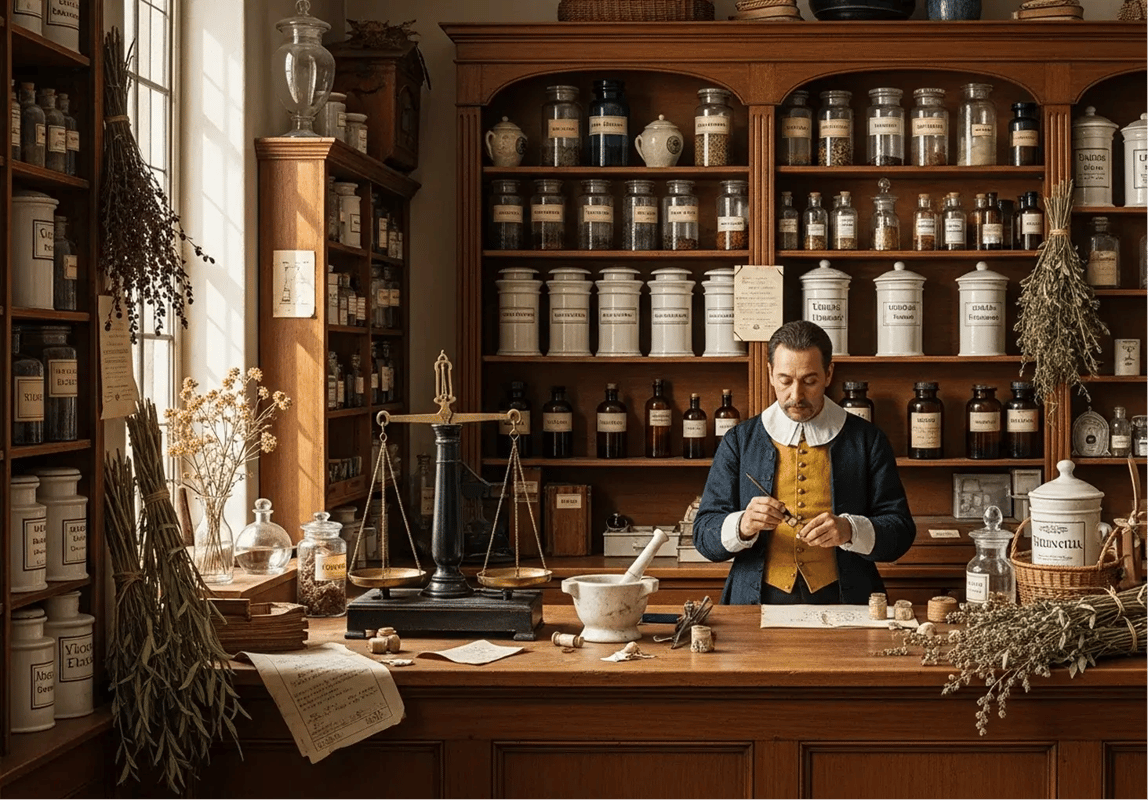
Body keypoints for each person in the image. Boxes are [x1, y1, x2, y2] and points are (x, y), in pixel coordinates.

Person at [693, 320, 914, 605]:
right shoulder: (739, 440)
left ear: (828, 373)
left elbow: (901, 532)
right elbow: (703, 535)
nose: (796, 396)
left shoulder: (867, 440)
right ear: (770, 373)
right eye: (785, 380)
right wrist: (743, 524)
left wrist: (850, 530)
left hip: (846, 599)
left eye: (809, 381)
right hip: (756, 600)